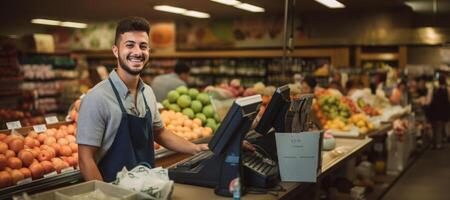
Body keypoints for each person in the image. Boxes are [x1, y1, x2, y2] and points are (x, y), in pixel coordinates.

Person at [76, 17, 208, 182]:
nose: (137, 52)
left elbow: (159, 132)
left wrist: (196, 148)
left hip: (146, 187)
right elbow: (85, 159)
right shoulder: (96, 98)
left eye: (143, 46)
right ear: (116, 50)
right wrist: (105, 195)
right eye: (130, 45)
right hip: (114, 192)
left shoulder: (148, 93)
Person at [423, 75, 450, 149]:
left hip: (434, 111)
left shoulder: (433, 89)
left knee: (435, 127)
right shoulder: (447, 90)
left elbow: (428, 101)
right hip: (444, 112)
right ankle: (438, 142)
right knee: (440, 127)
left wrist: (425, 104)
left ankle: (436, 142)